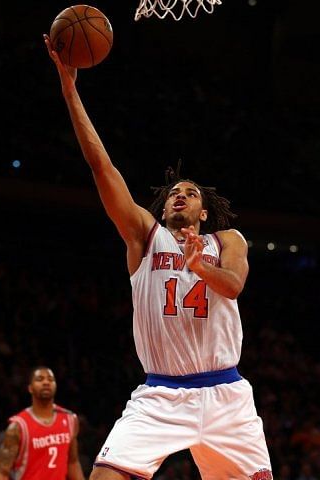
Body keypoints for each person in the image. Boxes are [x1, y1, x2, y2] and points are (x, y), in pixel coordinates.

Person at [44, 35, 273, 480]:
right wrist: (70, 90)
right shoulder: (144, 238)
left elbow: (234, 286)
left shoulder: (228, 240)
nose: (180, 196)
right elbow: (101, 167)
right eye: (173, 194)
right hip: (161, 395)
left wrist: (199, 265)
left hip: (226, 395)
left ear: (203, 211)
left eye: (189, 193)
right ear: (163, 207)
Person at [0, 366, 85, 480]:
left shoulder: (69, 419)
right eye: (40, 379)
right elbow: (2, 472)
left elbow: (73, 462)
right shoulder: (18, 426)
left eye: (50, 379)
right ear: (30, 388)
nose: (46, 382)